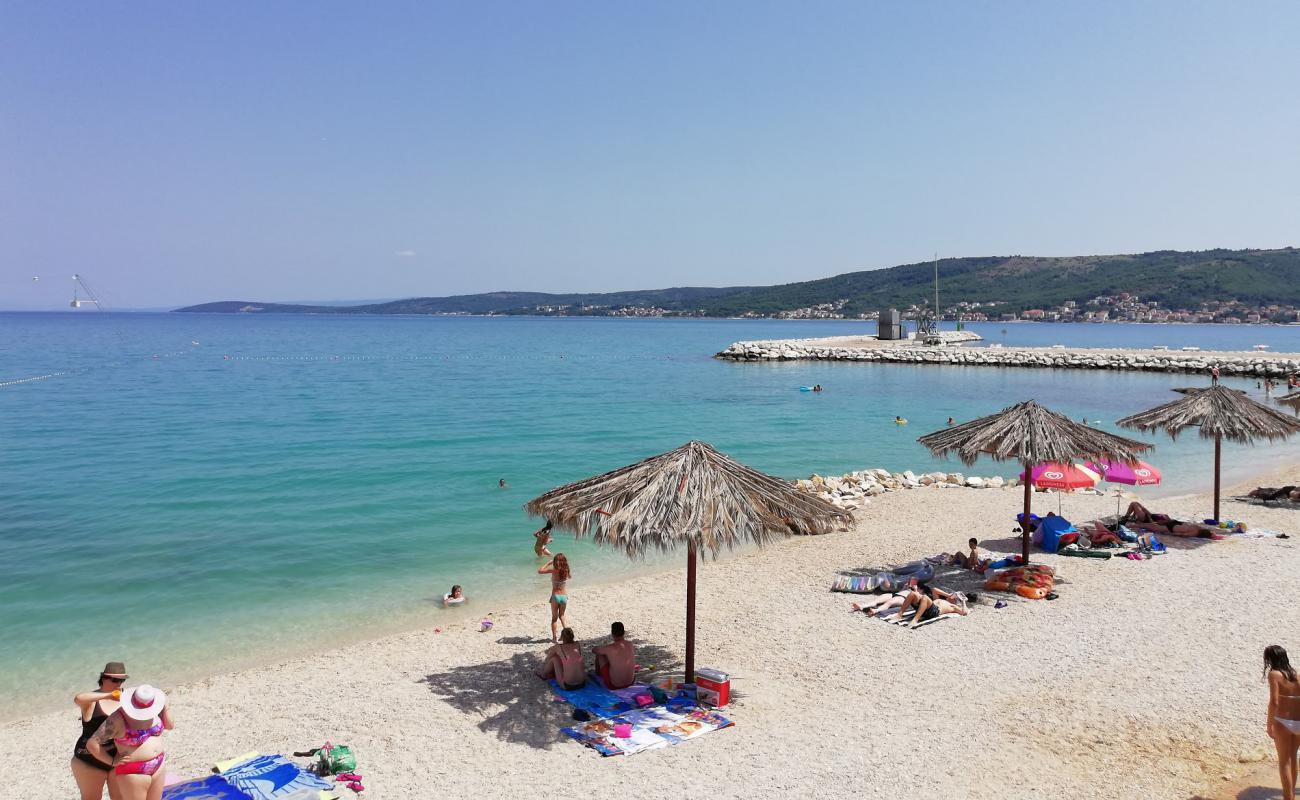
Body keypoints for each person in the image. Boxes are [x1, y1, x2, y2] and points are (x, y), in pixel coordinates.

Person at [87, 684, 173, 800]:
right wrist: (112, 761)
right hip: (133, 771)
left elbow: (169, 726)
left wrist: (165, 707)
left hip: (158, 764)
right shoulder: (118, 718)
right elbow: (92, 744)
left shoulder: (155, 710)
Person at [71, 662, 127, 800]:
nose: (118, 683)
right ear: (104, 678)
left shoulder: (125, 697)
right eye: (115, 679)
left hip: (116, 757)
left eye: (122, 680)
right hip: (89, 760)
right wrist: (107, 695)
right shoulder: (92, 700)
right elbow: (78, 698)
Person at [1265, 645, 1300, 800]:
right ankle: (1291, 794)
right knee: (1293, 758)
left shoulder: (1274, 674)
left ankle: (1288, 798)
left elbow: (1274, 702)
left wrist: (1269, 724)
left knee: (1284, 761)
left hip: (1282, 722)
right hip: (1299, 721)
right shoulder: (1297, 675)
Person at [895, 583, 968, 629]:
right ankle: (899, 615)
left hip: (934, 612)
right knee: (912, 593)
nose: (953, 597)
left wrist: (963, 601)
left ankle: (915, 620)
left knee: (925, 597)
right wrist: (948, 595)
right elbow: (934, 590)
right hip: (925, 608)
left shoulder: (952, 606)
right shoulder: (939, 599)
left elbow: (964, 612)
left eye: (955, 598)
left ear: (955, 601)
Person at [593, 622, 636, 689]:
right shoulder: (630, 644)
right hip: (631, 682)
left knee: (600, 656)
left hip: (614, 685)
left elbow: (595, 651)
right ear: (624, 632)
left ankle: (598, 675)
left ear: (612, 634)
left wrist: (597, 648)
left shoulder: (610, 648)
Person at [539, 553, 571, 643]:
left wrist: (548, 563)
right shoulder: (566, 570)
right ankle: (567, 633)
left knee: (554, 618)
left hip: (555, 596)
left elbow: (540, 571)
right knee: (562, 616)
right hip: (564, 596)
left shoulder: (553, 570)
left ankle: (554, 638)